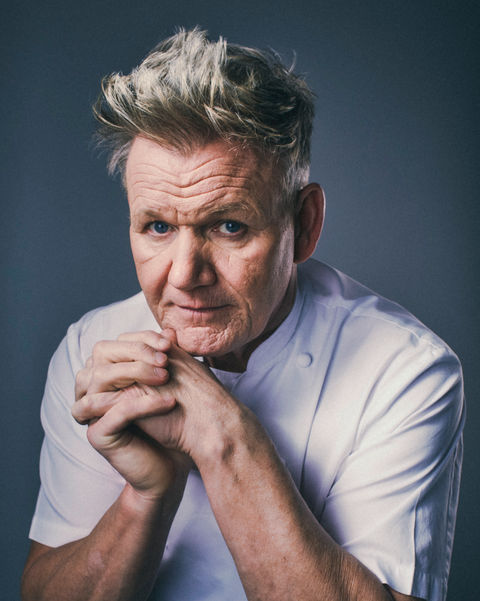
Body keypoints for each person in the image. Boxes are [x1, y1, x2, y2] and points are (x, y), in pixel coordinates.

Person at [21, 28, 464, 601]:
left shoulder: (404, 372)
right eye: (158, 226)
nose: (185, 275)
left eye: (229, 226)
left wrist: (221, 433)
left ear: (304, 224)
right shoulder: (93, 348)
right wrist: (147, 495)